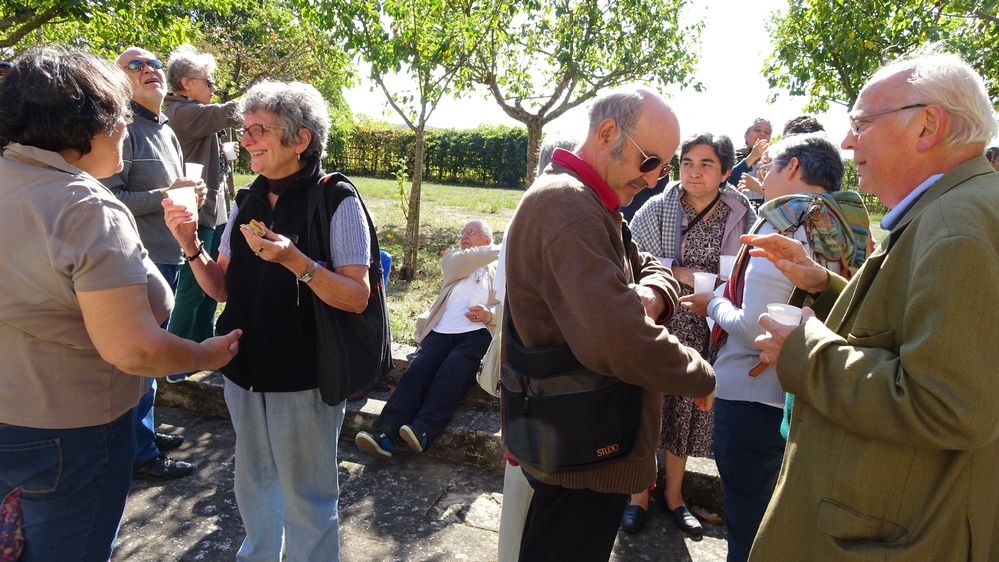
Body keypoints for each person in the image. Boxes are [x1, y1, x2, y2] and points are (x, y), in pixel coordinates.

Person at [745, 52, 999, 560]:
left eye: (861, 123)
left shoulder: (955, 227)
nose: (846, 141)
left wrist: (803, 350)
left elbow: (947, 405)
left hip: (892, 535)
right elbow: (913, 331)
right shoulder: (958, 207)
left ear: (927, 125)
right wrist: (823, 285)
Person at [0, 46, 241, 562]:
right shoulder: (83, 206)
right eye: (118, 115)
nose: (126, 128)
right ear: (86, 124)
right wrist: (206, 354)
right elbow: (135, 349)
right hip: (69, 429)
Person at [502, 87, 715, 561]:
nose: (655, 180)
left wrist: (649, 296)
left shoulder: (591, 201)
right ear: (606, 134)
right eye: (650, 161)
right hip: (584, 449)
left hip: (584, 439)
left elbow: (651, 267)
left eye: (663, 168)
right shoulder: (568, 205)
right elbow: (619, 339)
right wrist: (700, 374)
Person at [163, 79, 372, 561]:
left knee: (308, 499)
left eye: (259, 129)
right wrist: (189, 244)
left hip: (304, 377)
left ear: (301, 140)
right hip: (243, 372)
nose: (246, 139)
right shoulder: (248, 200)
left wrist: (295, 260)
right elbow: (222, 288)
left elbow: (356, 297)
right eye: (245, 129)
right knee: (253, 486)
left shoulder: (336, 200)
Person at [681, 134, 871, 561]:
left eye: (768, 165)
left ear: (794, 167)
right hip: (810, 395)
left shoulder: (783, 223)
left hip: (754, 399)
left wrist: (713, 303)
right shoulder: (844, 223)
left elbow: (756, 326)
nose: (762, 175)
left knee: (748, 529)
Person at [626, 133, 755, 536]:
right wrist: (679, 273)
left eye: (706, 164)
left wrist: (713, 291)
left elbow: (747, 274)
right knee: (648, 407)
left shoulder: (741, 214)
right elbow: (634, 263)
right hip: (660, 323)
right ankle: (638, 496)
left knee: (683, 411)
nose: (694, 173)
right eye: (687, 163)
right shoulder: (657, 208)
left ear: (726, 172)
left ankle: (674, 495)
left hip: (708, 326)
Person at [101, 46, 206, 480]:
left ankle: (142, 433)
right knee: (139, 358)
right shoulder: (120, 130)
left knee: (148, 358)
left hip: (168, 254)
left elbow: (171, 190)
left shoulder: (164, 128)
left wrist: (191, 196)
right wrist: (169, 193)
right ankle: (139, 454)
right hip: (136, 261)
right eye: (135, 66)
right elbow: (109, 198)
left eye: (155, 64)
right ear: (117, 80)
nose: (150, 70)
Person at [355, 220, 498, 457]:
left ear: (487, 240)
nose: (464, 235)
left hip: (478, 334)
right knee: (418, 369)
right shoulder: (453, 259)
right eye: (462, 232)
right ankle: (384, 433)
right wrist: (508, 245)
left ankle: (422, 430)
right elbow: (472, 258)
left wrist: (489, 315)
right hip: (441, 330)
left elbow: (508, 307)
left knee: (454, 369)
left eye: (472, 232)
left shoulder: (500, 271)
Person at [163, 44, 242, 374]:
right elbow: (228, 112)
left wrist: (220, 151)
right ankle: (176, 363)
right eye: (208, 81)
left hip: (212, 208)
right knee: (194, 288)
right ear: (186, 83)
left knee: (212, 285)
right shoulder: (182, 111)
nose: (213, 87)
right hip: (197, 212)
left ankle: (201, 349)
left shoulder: (190, 111)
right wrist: (267, 103)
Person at [727, 117, 771, 206]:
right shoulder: (733, 158)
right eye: (757, 130)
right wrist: (753, 156)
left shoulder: (773, 163)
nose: (762, 134)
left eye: (767, 132)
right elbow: (727, 181)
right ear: (746, 136)